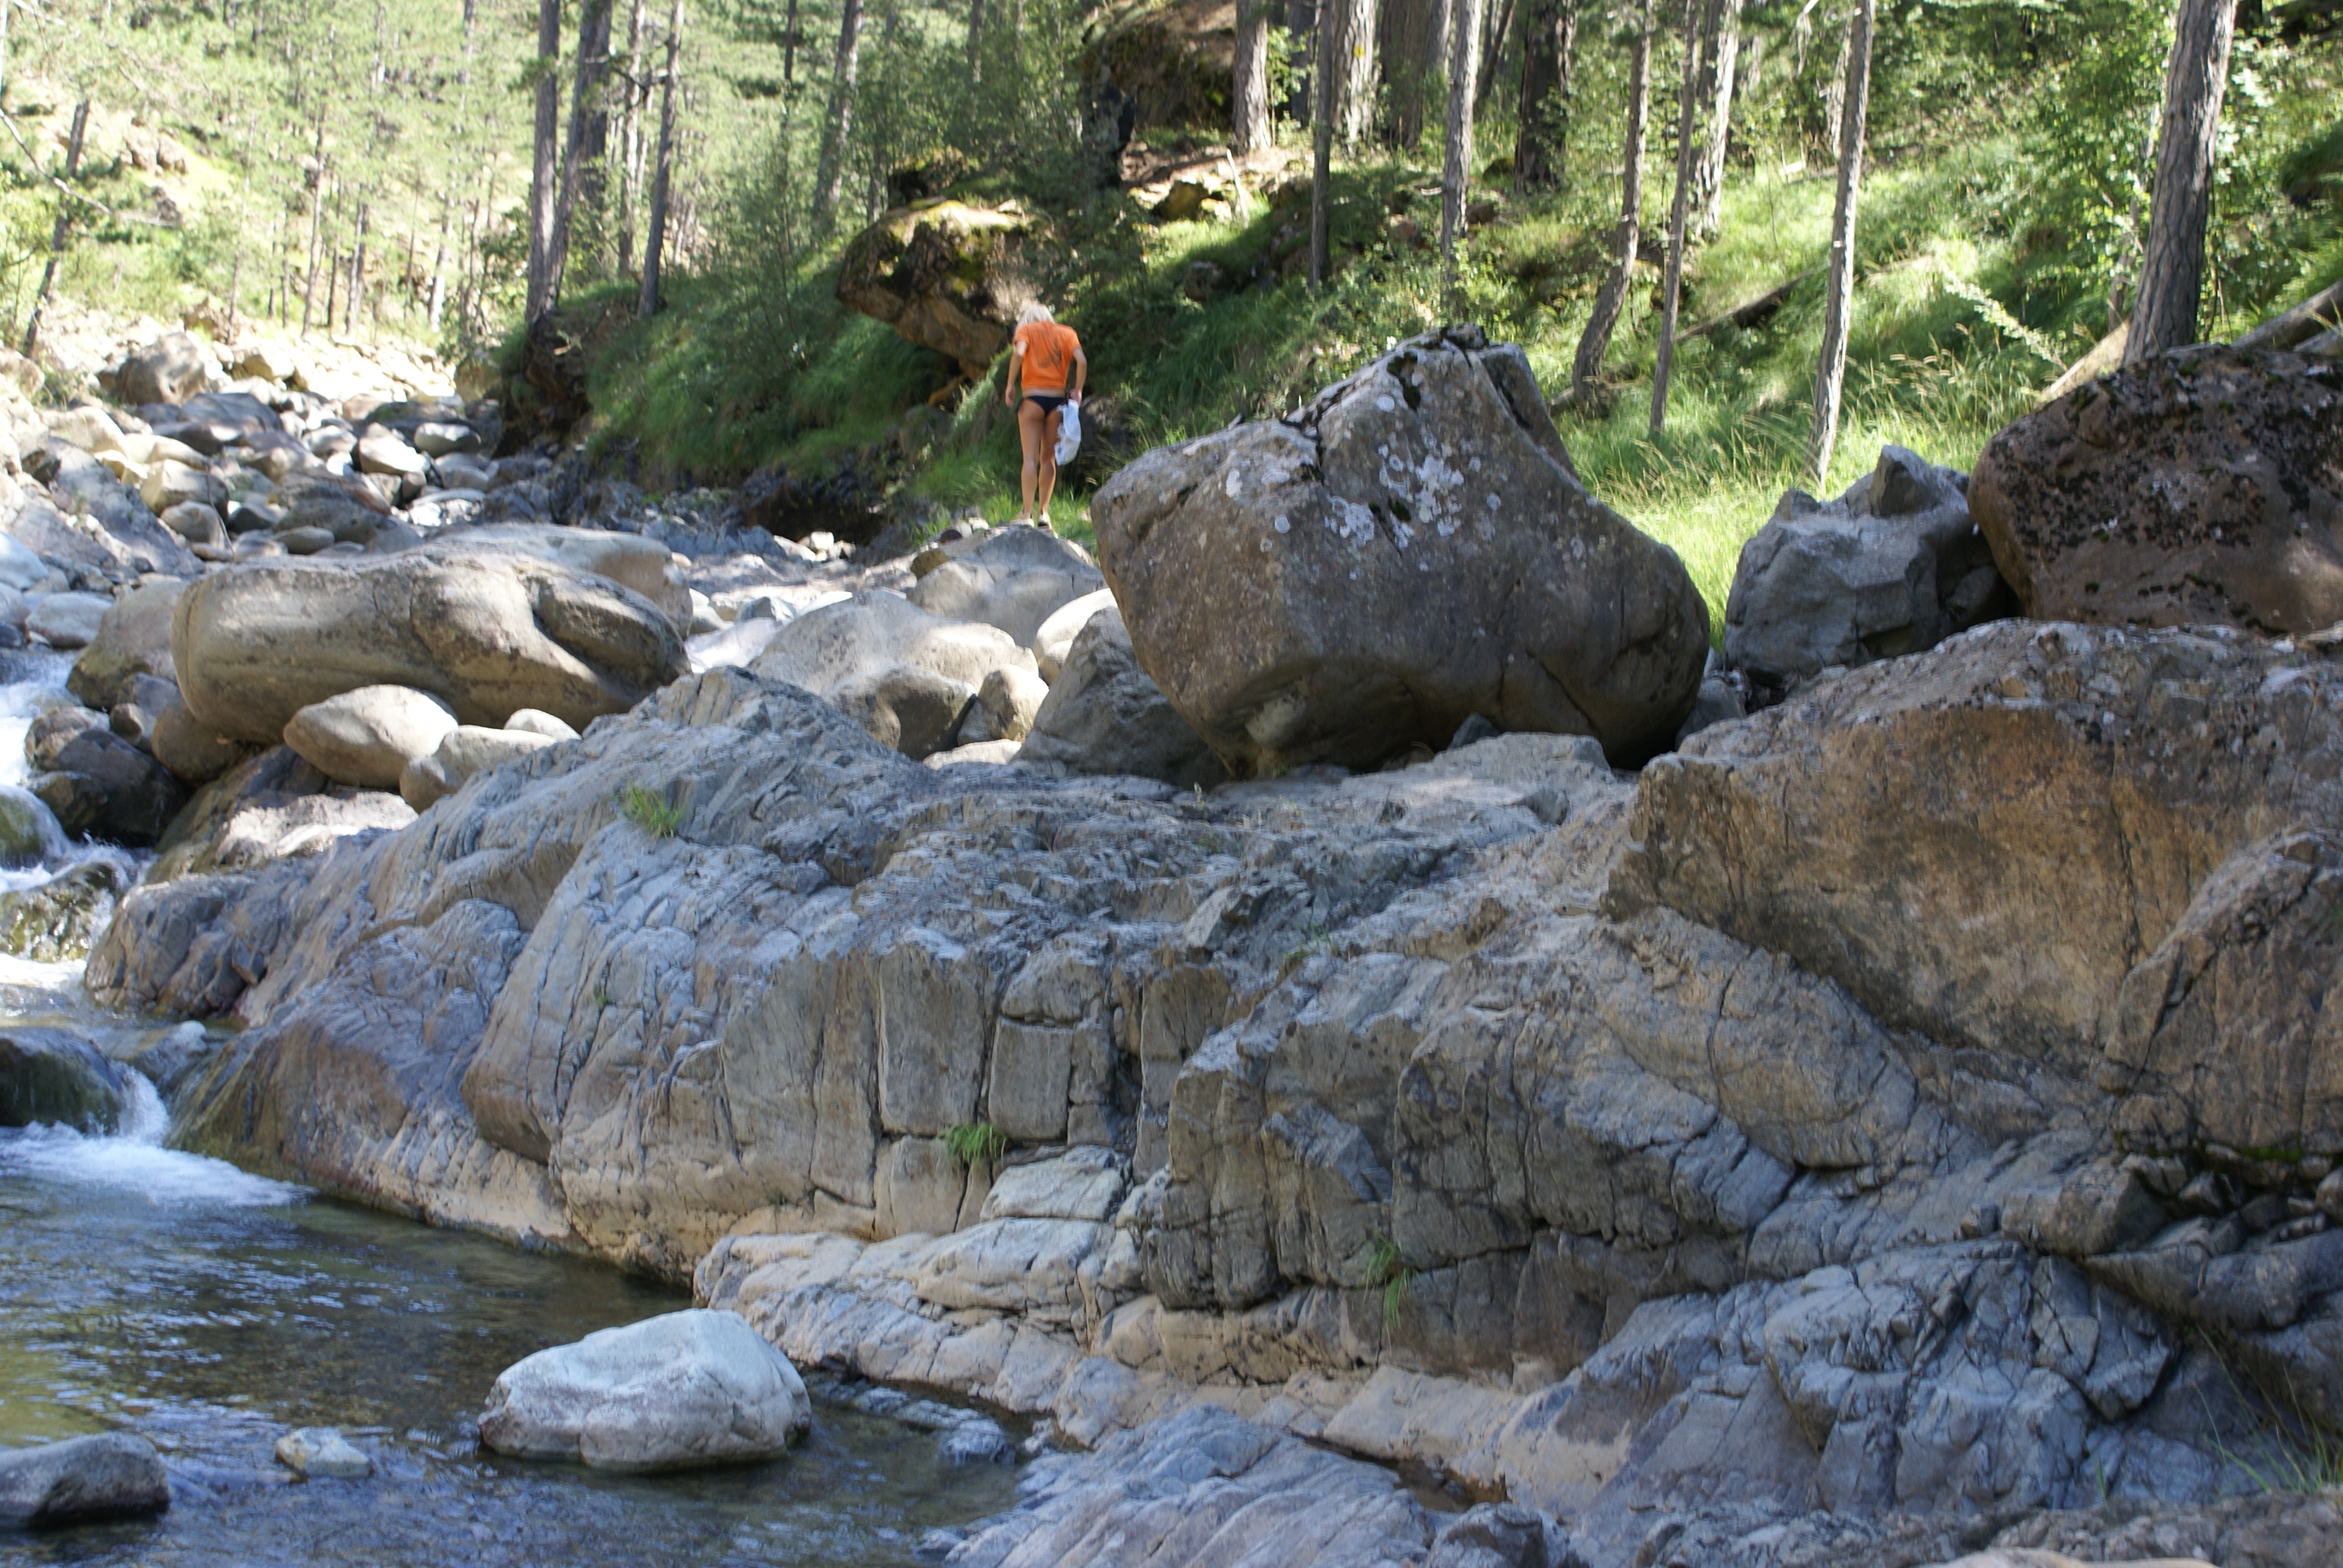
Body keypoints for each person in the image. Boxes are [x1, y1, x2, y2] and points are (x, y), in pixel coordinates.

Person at [1004, 301, 1085, 527]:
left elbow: (1019, 353)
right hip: (1057, 402)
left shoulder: (1026, 330)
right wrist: (1077, 390)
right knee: (1048, 459)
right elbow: (1082, 361)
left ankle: (1026, 513)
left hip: (1033, 400)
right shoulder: (1067, 333)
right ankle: (1044, 514)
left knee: (1029, 459)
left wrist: (1010, 384)